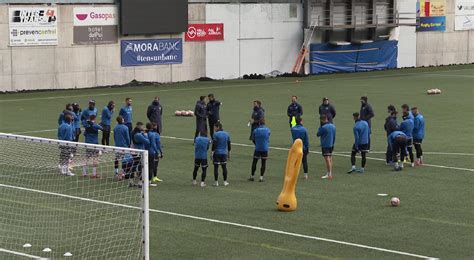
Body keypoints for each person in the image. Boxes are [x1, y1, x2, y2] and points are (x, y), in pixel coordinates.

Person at [130, 122, 150, 187]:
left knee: (134, 166)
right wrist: (145, 135)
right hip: (139, 152)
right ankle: (140, 182)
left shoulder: (133, 132)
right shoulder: (138, 135)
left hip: (134, 151)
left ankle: (131, 181)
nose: (142, 127)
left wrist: (142, 132)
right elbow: (147, 142)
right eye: (142, 126)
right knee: (142, 167)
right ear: (139, 126)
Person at [317, 115, 336, 180]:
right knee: (330, 158)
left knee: (327, 159)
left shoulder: (323, 127)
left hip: (325, 144)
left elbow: (318, 134)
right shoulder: (333, 126)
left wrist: (320, 126)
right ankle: (330, 173)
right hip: (331, 144)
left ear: (322, 120)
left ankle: (329, 174)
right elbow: (334, 136)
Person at [212, 122, 231, 187]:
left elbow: (214, 145)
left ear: (218, 127)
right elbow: (229, 145)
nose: (214, 128)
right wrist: (229, 154)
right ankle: (225, 182)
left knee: (216, 167)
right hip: (224, 153)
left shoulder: (215, 135)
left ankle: (216, 182)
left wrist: (212, 153)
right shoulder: (227, 134)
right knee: (224, 167)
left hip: (217, 153)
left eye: (214, 127)